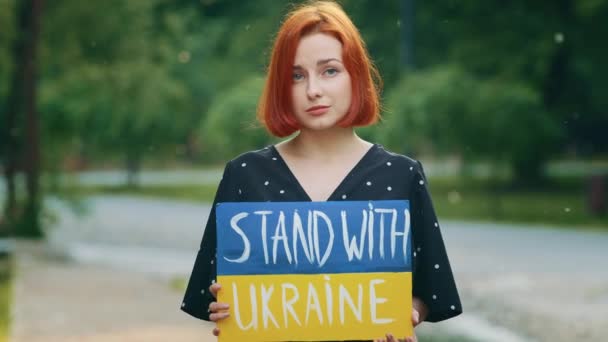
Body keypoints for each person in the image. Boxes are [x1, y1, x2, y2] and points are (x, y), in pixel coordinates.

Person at [181, 1, 462, 341]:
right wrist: (223, 306)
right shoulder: (244, 175)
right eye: (296, 76)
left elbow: (431, 289)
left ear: (355, 74)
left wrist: (407, 314)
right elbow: (215, 291)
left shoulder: (401, 175)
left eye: (330, 70)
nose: (313, 89)